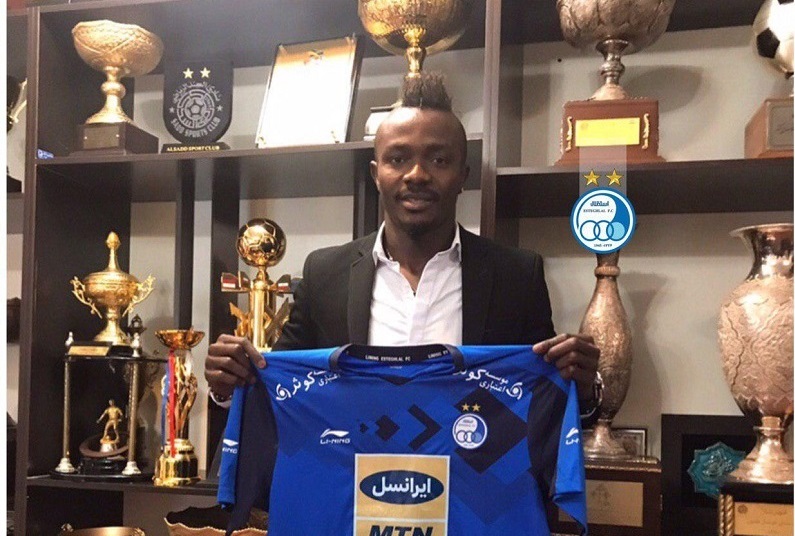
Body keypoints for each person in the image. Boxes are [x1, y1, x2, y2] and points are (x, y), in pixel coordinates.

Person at [205, 73, 601, 414]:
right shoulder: (325, 275)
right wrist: (228, 384)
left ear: (463, 176)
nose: (416, 175)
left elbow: (543, 401)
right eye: (398, 159)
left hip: (473, 477)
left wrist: (581, 388)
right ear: (376, 174)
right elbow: (281, 390)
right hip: (354, 479)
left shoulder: (517, 276)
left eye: (438, 160)